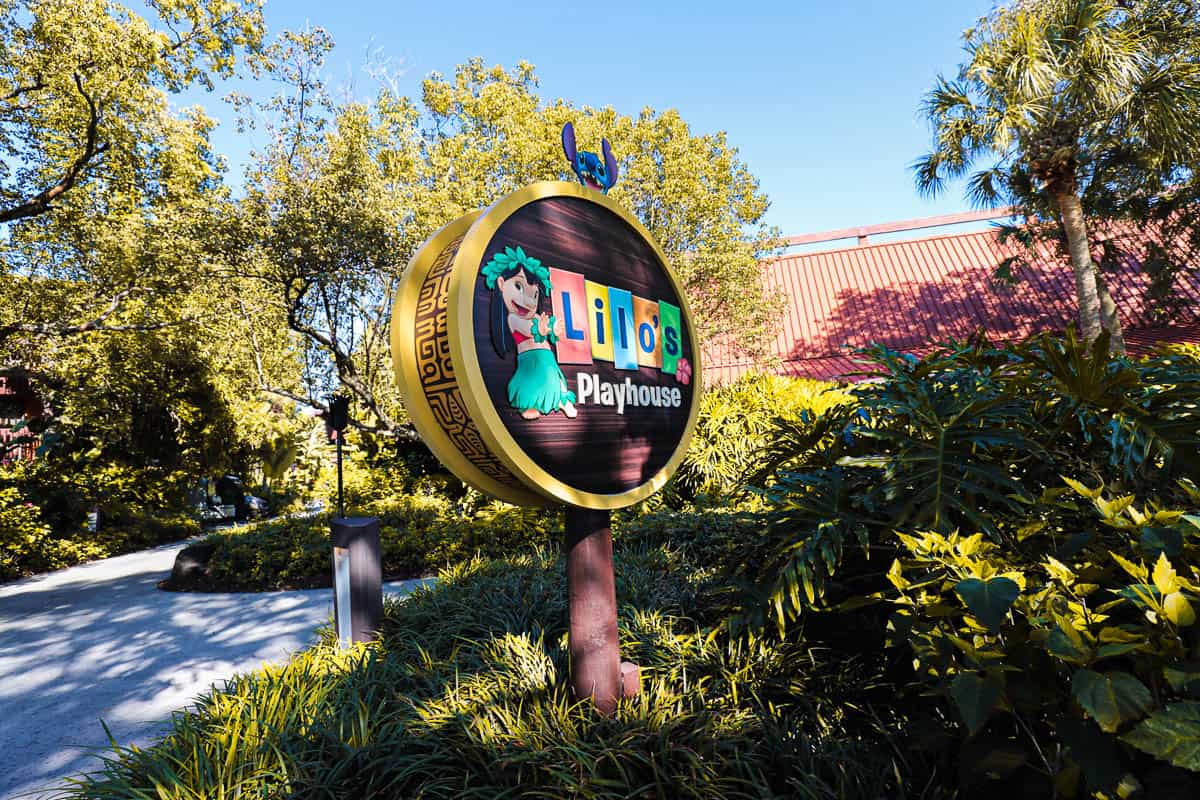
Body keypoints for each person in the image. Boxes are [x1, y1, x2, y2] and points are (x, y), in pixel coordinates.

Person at [482, 246, 578, 420]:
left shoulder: (535, 317)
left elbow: (549, 333)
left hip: (547, 357)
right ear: (502, 283)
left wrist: (553, 332)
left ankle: (563, 401)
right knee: (531, 384)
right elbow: (528, 330)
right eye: (519, 286)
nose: (527, 300)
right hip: (530, 358)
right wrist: (541, 331)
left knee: (555, 380)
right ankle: (529, 405)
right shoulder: (513, 318)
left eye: (534, 295)